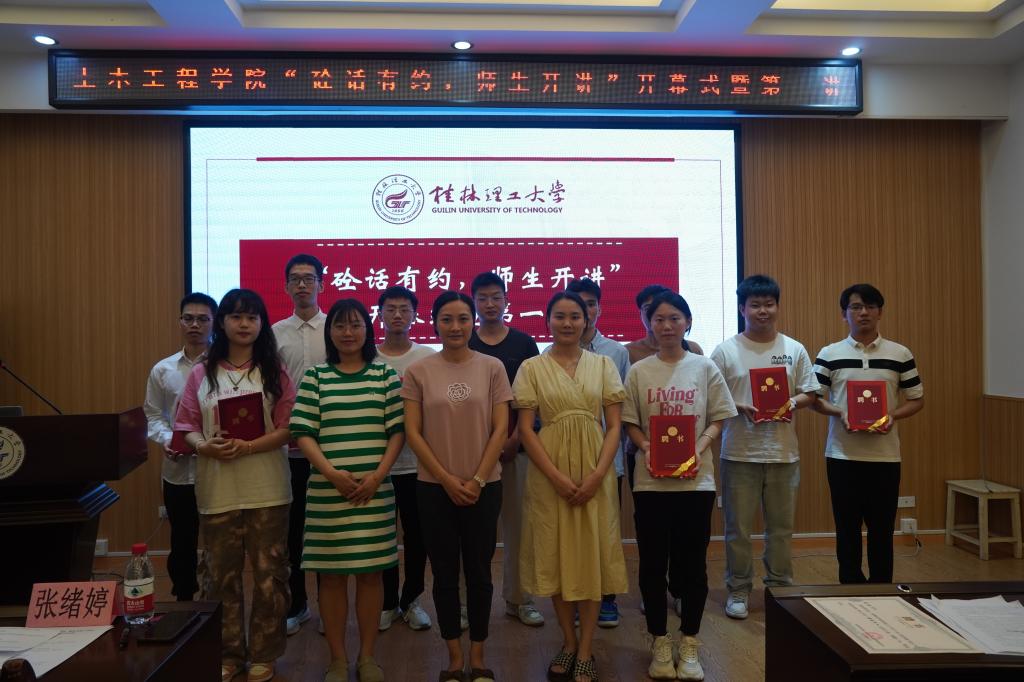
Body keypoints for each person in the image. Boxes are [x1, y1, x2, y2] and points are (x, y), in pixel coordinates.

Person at [173, 289, 295, 682]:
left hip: (268, 489)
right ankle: (226, 653)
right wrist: (203, 446)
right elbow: (186, 425)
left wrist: (250, 446)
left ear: (262, 324)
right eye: (236, 317)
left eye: (252, 317)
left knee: (269, 575)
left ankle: (264, 653)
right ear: (222, 323)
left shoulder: (274, 371)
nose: (244, 324)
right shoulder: (201, 373)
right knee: (219, 576)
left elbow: (290, 427)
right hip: (217, 490)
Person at [513, 291, 628, 682]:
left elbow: (614, 425)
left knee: (591, 555)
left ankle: (586, 648)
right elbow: (526, 429)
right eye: (559, 316)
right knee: (556, 554)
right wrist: (557, 477)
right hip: (549, 471)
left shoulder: (604, 364)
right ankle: (567, 640)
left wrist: (597, 475)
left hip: (596, 467)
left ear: (586, 319)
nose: (567, 323)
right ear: (547, 320)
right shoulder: (531, 367)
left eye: (575, 316)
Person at [622, 291, 736, 681]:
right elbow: (630, 421)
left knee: (693, 565)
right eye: (659, 319)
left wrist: (697, 449)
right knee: (652, 564)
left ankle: (689, 642)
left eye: (675, 318)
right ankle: (659, 640)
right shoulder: (639, 371)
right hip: (650, 483)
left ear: (687, 322)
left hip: (696, 483)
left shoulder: (704, 367)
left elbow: (720, 416)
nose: (667, 326)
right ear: (649, 324)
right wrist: (647, 447)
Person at [290, 298, 404, 682]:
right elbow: (303, 432)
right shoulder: (316, 377)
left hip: (374, 494)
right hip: (328, 494)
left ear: (367, 330)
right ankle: (338, 659)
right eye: (340, 325)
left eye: (356, 324)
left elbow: (397, 432)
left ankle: (367, 657)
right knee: (331, 577)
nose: (348, 332)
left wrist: (376, 477)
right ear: (330, 332)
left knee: (371, 576)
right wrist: (332, 474)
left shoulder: (385, 375)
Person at [402, 291, 511, 682]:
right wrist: (447, 480)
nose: (455, 326)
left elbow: (501, 428)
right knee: (444, 573)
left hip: (485, 486)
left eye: (463, 318)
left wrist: (478, 479)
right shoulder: (418, 371)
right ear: (434, 323)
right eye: (446, 319)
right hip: (434, 489)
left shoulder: (492, 367)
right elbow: (413, 433)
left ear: (473, 322)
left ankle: (478, 657)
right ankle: (452, 658)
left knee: (480, 572)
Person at [710, 275, 819, 620]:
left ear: (777, 306)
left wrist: (792, 403)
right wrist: (737, 406)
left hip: (784, 454)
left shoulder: (794, 349)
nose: (762, 311)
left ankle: (780, 588)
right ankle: (739, 589)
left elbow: (810, 392)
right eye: (755, 305)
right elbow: (712, 399)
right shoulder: (725, 351)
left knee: (781, 529)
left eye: (768, 304)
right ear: (742, 308)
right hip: (739, 453)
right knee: (737, 530)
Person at [812, 283, 924, 584]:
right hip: (842, 456)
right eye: (856, 307)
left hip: (885, 457)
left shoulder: (900, 353)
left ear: (880, 312)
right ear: (844, 314)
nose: (863, 312)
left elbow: (917, 399)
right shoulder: (829, 354)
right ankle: (850, 588)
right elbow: (815, 399)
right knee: (846, 529)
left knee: (882, 531)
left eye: (870, 306)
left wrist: (892, 415)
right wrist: (840, 412)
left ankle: (882, 590)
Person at [468, 272, 544, 628]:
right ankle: (469, 602)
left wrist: (514, 439)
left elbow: (533, 399)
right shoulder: (465, 341)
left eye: (496, 297)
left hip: (517, 450)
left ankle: (520, 599)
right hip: (471, 452)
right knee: (473, 532)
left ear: (506, 300)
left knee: (520, 529)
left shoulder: (524, 343)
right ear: (474, 302)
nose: (489, 304)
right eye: (482, 298)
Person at [143, 292, 217, 601]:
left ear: (214, 323)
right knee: (182, 540)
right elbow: (153, 414)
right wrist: (165, 439)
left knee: (217, 540)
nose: (195, 325)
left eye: (202, 319)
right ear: (180, 322)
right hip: (177, 471)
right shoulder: (163, 370)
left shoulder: (226, 367)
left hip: (217, 469)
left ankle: (215, 601)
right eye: (188, 318)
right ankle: (184, 601)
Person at [565, 278, 629, 628]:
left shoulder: (616, 353)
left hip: (606, 460)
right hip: (564, 460)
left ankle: (606, 598)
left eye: (589, 304)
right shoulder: (547, 356)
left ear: (598, 308)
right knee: (572, 534)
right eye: (576, 305)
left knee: (605, 530)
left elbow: (622, 411)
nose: (583, 311)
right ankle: (576, 596)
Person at [271, 254, 327, 636]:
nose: (303, 285)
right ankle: (298, 605)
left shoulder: (336, 328)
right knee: (293, 531)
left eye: (309, 278)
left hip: (329, 446)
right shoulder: (274, 333)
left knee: (325, 529)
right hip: (288, 448)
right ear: (287, 286)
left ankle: (328, 606)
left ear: (321, 284)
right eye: (296, 279)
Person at [375, 285, 435, 633]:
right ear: (379, 314)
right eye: (390, 309)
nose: (397, 315)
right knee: (382, 536)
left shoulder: (426, 356)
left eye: (404, 309)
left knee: (417, 535)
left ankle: (411, 599)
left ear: (415, 315)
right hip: (378, 464)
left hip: (417, 463)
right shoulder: (369, 357)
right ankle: (386, 602)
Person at [625, 284, 704, 365]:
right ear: (640, 314)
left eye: (674, 318)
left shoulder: (693, 349)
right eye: (648, 308)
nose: (652, 313)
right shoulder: (628, 352)